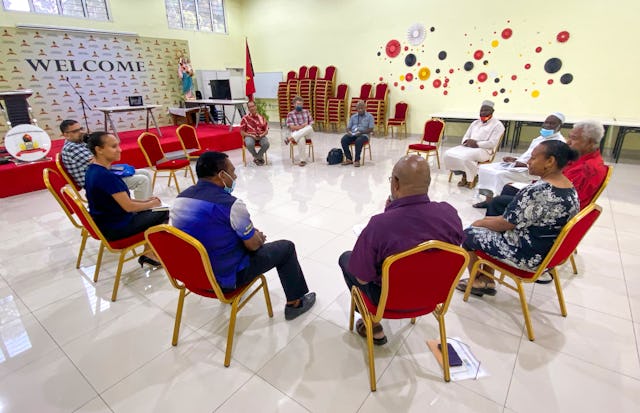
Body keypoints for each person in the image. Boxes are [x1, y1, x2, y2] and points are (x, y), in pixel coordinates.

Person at [171, 151, 316, 320]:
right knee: (286, 248)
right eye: (232, 172)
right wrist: (257, 237)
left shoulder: (180, 200)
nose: (235, 177)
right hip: (225, 277)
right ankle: (295, 303)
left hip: (193, 274)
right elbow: (253, 245)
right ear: (221, 175)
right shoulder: (231, 205)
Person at [339, 155, 464, 344]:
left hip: (388, 301)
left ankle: (372, 324)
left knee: (346, 258)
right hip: (433, 295)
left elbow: (362, 278)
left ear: (395, 183)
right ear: (428, 183)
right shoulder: (450, 214)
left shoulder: (379, 225)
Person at [456, 140, 580, 297]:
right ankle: (486, 277)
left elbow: (505, 223)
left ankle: (481, 281)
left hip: (528, 255)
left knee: (469, 233)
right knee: (487, 223)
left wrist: (479, 223)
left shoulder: (537, 191)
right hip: (549, 253)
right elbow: (516, 219)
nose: (529, 161)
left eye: (534, 158)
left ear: (550, 161)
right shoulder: (569, 187)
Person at [485, 120, 608, 217]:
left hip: (555, 209)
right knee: (509, 188)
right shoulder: (580, 157)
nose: (569, 141)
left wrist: (532, 191)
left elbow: (565, 199)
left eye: (574, 138)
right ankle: (505, 225)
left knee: (498, 202)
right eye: (569, 137)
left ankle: (504, 230)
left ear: (590, 143)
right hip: (550, 194)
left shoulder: (588, 169)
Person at [84, 132, 168, 267]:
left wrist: (148, 202)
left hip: (106, 221)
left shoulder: (93, 170)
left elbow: (123, 201)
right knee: (163, 212)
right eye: (114, 146)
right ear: (99, 150)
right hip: (116, 227)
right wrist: (152, 203)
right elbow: (129, 206)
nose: (120, 150)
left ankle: (149, 253)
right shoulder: (105, 176)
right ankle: (149, 254)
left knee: (154, 208)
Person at [473, 112, 565, 208]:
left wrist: (525, 165)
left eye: (552, 123)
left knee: (499, 175)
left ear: (560, 126)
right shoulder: (540, 138)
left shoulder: (559, 143)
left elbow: (551, 165)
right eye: (546, 122)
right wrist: (515, 159)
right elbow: (528, 155)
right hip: (520, 165)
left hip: (532, 171)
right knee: (485, 168)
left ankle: (498, 203)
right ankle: (489, 200)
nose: (547, 126)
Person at [60, 119, 153, 200]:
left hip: (101, 174)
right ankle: (143, 211)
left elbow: (98, 158)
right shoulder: (72, 148)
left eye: (81, 128)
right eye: (75, 131)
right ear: (66, 134)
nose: (81, 132)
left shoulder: (78, 143)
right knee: (142, 180)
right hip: (95, 182)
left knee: (145, 172)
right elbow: (101, 160)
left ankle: (148, 202)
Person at [443, 100, 505, 188]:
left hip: (484, 150)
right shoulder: (475, 123)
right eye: (481, 110)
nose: (483, 113)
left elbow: (492, 143)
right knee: (448, 154)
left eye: (486, 110)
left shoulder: (498, 125)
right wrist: (466, 141)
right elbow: (466, 136)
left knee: (465, 157)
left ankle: (470, 178)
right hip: (468, 147)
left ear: (492, 112)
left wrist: (477, 144)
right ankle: (464, 174)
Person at [340, 100, 374, 167]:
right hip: (353, 134)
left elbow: (371, 129)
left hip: (364, 135)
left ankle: (357, 160)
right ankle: (349, 158)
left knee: (358, 141)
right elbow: (348, 128)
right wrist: (349, 132)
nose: (360, 110)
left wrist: (361, 132)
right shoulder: (353, 117)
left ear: (365, 108)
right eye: (359, 108)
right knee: (344, 139)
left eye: (362, 108)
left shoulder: (370, 116)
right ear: (356, 109)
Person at [285, 96, 314, 167]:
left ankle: (290, 138)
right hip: (297, 133)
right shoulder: (290, 114)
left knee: (309, 128)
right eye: (298, 104)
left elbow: (310, 124)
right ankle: (302, 160)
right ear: (294, 104)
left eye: (301, 104)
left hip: (307, 133)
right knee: (301, 138)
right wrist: (303, 126)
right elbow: (292, 127)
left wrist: (303, 127)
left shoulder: (306, 112)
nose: (299, 106)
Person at [240, 100, 270, 166]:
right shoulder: (245, 119)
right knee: (249, 144)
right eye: (250, 107)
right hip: (249, 135)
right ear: (248, 109)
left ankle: (257, 157)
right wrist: (251, 135)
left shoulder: (262, 118)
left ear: (256, 107)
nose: (252, 108)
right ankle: (257, 157)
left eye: (253, 106)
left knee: (266, 144)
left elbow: (266, 130)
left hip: (261, 135)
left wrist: (262, 135)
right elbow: (242, 132)